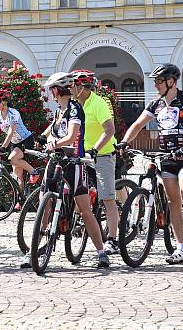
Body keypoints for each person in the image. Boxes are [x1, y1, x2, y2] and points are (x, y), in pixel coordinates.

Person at [117, 63, 183, 264]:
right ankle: (180, 247)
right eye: (155, 81)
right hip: (166, 157)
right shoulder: (156, 104)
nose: (156, 85)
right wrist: (124, 142)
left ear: (171, 81)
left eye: (159, 81)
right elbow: (138, 125)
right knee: (173, 202)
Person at [38, 72, 110, 269]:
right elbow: (52, 131)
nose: (51, 93)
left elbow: (71, 137)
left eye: (52, 89)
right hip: (56, 160)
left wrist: (55, 144)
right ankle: (36, 246)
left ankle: (101, 252)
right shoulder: (58, 110)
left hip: (74, 162)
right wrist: (43, 139)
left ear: (57, 89)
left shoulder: (74, 109)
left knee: (85, 210)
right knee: (43, 200)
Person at [69, 69, 121, 256]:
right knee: (78, 191)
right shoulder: (74, 105)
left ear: (82, 87)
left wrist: (96, 150)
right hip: (82, 155)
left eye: (73, 85)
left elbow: (109, 130)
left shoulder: (98, 103)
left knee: (107, 197)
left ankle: (112, 239)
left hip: (102, 154)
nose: (70, 88)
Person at [0, 88, 38, 194]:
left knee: (12, 159)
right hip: (15, 143)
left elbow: (11, 132)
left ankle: (34, 172)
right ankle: (20, 199)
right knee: (17, 174)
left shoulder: (13, 113)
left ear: (5, 101)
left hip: (26, 140)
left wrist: (3, 147)